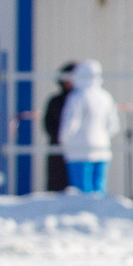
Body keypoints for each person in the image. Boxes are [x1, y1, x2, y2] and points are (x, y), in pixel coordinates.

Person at [56, 59, 119, 195]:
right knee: (99, 190)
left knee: (82, 193)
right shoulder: (105, 97)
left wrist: (64, 142)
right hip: (102, 149)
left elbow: (71, 124)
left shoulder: (77, 97)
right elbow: (113, 125)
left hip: (79, 150)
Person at [40, 63, 77, 194]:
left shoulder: (80, 100)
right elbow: (48, 124)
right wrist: (60, 138)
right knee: (56, 183)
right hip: (57, 149)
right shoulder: (55, 101)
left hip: (77, 149)